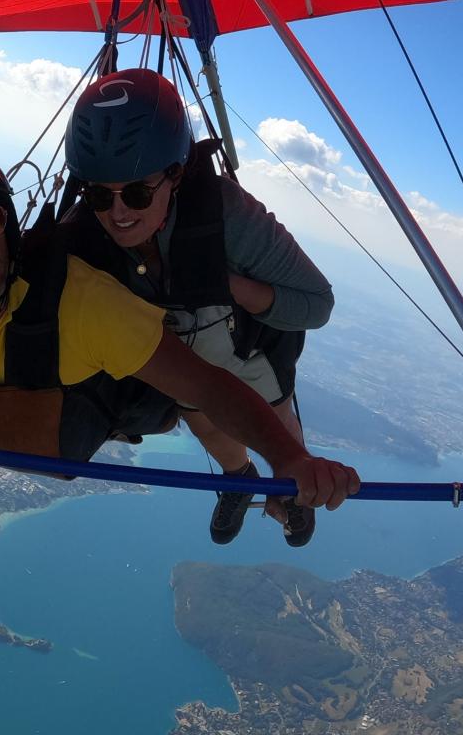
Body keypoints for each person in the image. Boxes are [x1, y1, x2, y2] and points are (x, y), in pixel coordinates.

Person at [0, 145, 358, 515]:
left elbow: (208, 386)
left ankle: (241, 479)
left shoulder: (78, 303)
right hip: (49, 424)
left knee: (188, 381)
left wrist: (290, 457)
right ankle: (242, 478)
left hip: (125, 401)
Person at [60, 68, 336, 548]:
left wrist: (228, 285)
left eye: (139, 192)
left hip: (245, 354)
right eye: (101, 194)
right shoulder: (85, 230)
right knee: (204, 419)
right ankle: (238, 479)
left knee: (277, 431)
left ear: (176, 174)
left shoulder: (228, 215)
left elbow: (316, 304)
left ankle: (289, 492)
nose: (120, 212)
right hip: (183, 362)